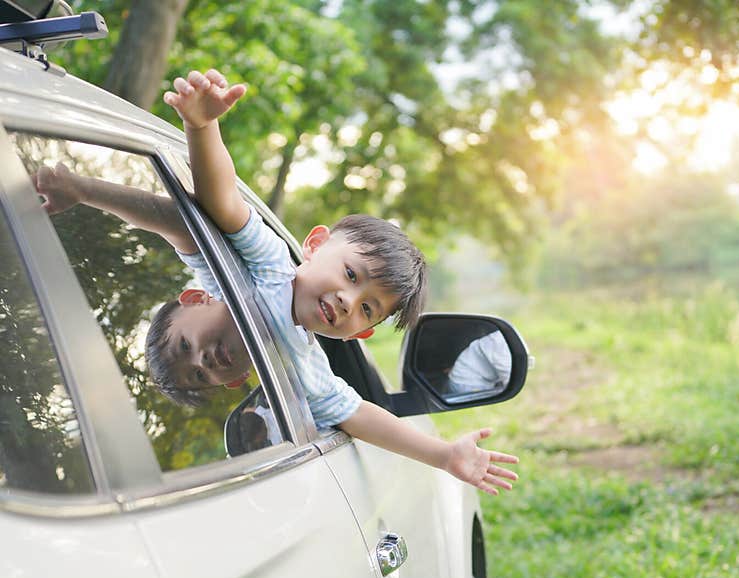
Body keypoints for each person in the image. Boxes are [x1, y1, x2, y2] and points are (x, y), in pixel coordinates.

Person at [35, 67, 518, 495]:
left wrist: (197, 132)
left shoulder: (265, 268)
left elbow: (211, 207)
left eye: (367, 305)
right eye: (200, 375)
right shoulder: (300, 364)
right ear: (238, 381)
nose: (349, 300)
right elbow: (363, 417)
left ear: (197, 297)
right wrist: (200, 129)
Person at [447, 330, 512, 397]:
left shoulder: (503, 336)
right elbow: (508, 376)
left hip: (462, 375)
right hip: (468, 383)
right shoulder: (502, 341)